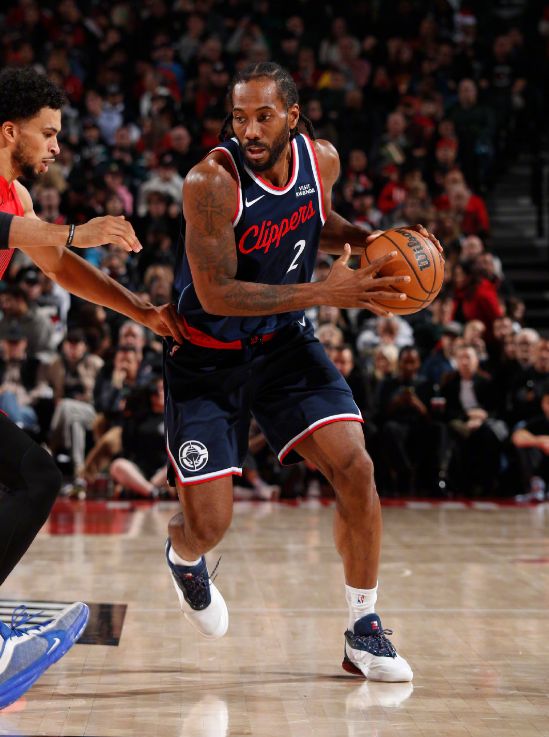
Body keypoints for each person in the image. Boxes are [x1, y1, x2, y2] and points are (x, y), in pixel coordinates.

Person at [164, 62, 442, 682]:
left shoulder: (323, 161)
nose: (249, 130)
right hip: (208, 354)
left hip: (284, 343)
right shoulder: (210, 182)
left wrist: (384, 246)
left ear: (292, 116)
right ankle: (183, 558)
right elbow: (216, 293)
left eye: (263, 117)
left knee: (356, 467)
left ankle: (364, 631)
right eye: (239, 117)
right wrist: (324, 293)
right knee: (208, 526)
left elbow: (318, 223)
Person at [0, 66, 184, 710]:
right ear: (9, 132)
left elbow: (62, 267)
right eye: (47, 133)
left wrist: (144, 312)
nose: (57, 145)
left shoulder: (19, 199)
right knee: (35, 477)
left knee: (34, 478)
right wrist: (79, 229)